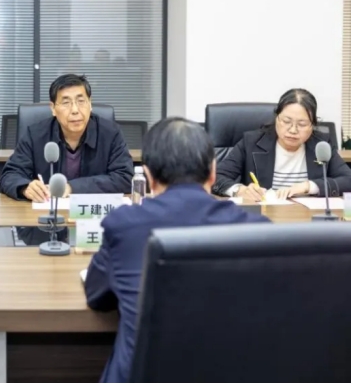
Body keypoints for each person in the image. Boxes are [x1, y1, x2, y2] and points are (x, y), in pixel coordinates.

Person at [84, 117, 269, 383]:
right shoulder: (256, 230)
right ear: (213, 171)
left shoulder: (123, 226)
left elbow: (96, 296)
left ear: (148, 176)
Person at [0, 74, 133, 201]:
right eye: (66, 103)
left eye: (81, 101)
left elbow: (124, 178)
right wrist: (25, 188)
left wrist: (71, 188)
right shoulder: (35, 135)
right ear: (53, 108)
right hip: (46, 213)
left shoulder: (110, 134)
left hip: (91, 214)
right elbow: (10, 175)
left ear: (90, 104)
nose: (75, 110)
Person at [214, 88, 351, 200]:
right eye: (286, 121)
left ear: (312, 125)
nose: (293, 130)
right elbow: (216, 177)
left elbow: (348, 180)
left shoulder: (321, 144)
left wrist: (308, 186)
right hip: (263, 218)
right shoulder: (251, 142)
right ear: (277, 118)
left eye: (302, 124)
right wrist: (239, 190)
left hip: (309, 219)